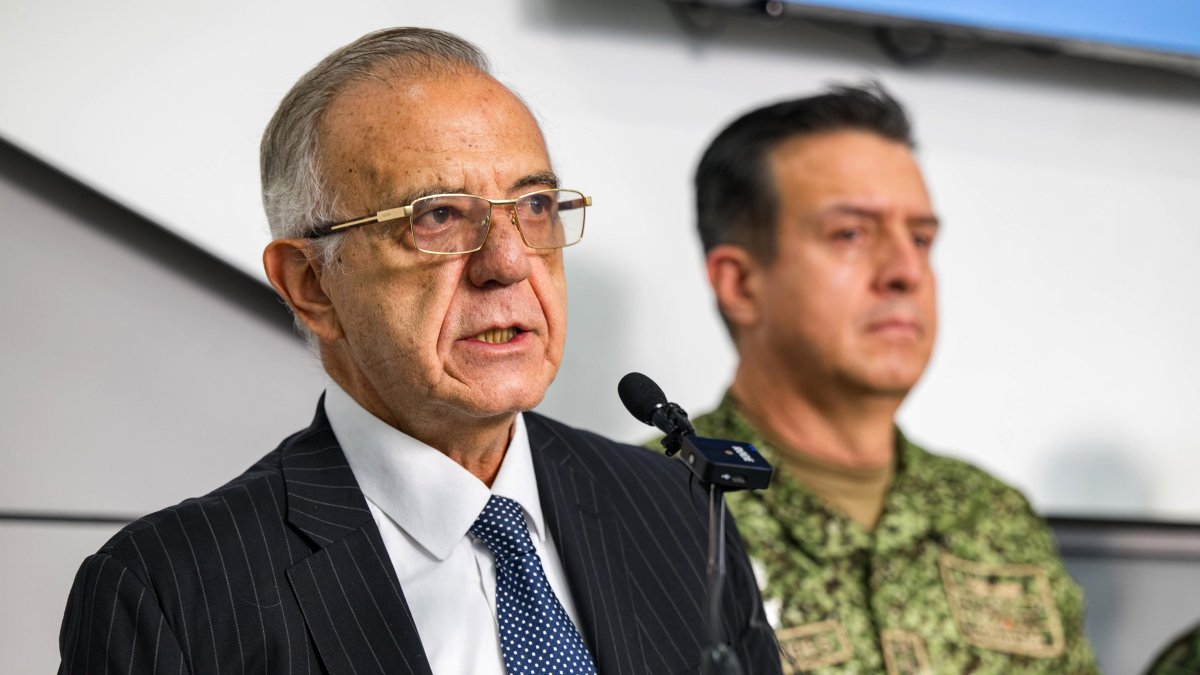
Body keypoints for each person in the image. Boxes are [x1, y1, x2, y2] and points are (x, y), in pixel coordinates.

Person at [57, 28, 779, 675]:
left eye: (534, 207)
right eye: (436, 216)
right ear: (311, 285)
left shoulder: (680, 509)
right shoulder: (169, 593)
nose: (508, 261)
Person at [684, 83, 1098, 673]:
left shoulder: (994, 516)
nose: (907, 271)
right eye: (852, 234)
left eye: (922, 239)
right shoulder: (649, 509)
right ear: (741, 284)